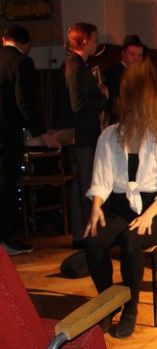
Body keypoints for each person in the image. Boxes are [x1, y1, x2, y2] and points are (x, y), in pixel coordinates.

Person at [83, 59, 157, 339]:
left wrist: (148, 215)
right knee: (92, 240)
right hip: (121, 209)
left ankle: (130, 308)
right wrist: (96, 207)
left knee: (131, 239)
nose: (134, 110)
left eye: (139, 103)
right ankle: (108, 301)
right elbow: (101, 181)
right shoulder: (109, 136)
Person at [0, 25, 58, 255]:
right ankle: (7, 239)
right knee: (7, 187)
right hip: (7, 136)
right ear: (26, 45)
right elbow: (25, 103)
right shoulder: (22, 62)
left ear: (4, 39)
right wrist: (41, 133)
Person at [64, 22, 109, 246]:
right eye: (94, 39)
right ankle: (83, 234)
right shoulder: (76, 65)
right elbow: (78, 105)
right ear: (84, 40)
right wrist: (103, 97)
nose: (96, 43)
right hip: (83, 137)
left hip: (84, 136)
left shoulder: (78, 64)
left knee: (81, 185)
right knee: (83, 186)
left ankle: (82, 233)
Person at [104, 34, 146, 124]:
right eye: (132, 54)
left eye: (139, 55)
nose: (136, 59)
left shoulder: (142, 74)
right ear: (123, 54)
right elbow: (113, 102)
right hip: (119, 121)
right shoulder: (114, 73)